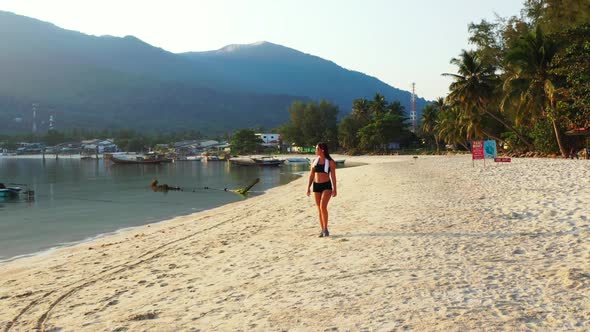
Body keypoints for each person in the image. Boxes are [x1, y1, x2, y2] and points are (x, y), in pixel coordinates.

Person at [306, 142, 337, 237]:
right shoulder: (314, 161)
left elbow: (333, 176)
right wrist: (308, 187)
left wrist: (335, 189)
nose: (315, 151)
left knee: (323, 207)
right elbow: (311, 175)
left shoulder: (330, 162)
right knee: (319, 209)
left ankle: (326, 229)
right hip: (316, 186)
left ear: (322, 150)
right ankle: (322, 229)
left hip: (326, 186)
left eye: (316, 149)